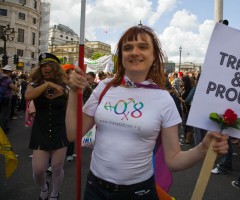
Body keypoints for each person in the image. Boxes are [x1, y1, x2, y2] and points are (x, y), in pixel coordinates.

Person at [66, 25, 228, 199]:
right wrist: (74, 92)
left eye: (143, 47)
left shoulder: (164, 100)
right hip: (95, 188)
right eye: (127, 48)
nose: (134, 52)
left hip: (138, 192)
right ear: (121, 57)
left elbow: (173, 160)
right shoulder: (104, 88)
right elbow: (73, 134)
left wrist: (203, 148)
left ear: (154, 57)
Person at [25, 53, 69, 200]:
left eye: (50, 65)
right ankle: (44, 188)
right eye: (43, 66)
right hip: (40, 130)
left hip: (60, 129)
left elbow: (70, 109)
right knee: (38, 170)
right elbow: (28, 96)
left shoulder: (65, 86)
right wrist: (48, 84)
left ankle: (55, 194)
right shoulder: (34, 84)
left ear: (56, 68)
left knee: (57, 167)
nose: (46, 68)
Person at [61, 63, 76, 162]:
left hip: (70, 112)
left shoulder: (74, 83)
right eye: (70, 71)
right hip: (61, 112)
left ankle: (69, 153)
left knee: (70, 131)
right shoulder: (60, 83)